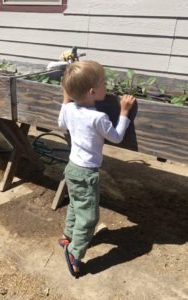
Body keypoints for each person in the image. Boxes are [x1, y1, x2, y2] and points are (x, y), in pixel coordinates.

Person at [58, 60, 136, 277]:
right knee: (89, 217)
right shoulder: (98, 117)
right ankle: (73, 252)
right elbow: (117, 137)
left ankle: (67, 236)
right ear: (92, 92)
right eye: (104, 82)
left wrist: (65, 100)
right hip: (86, 173)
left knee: (75, 204)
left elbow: (61, 124)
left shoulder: (70, 108)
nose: (107, 85)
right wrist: (124, 112)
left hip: (72, 168)